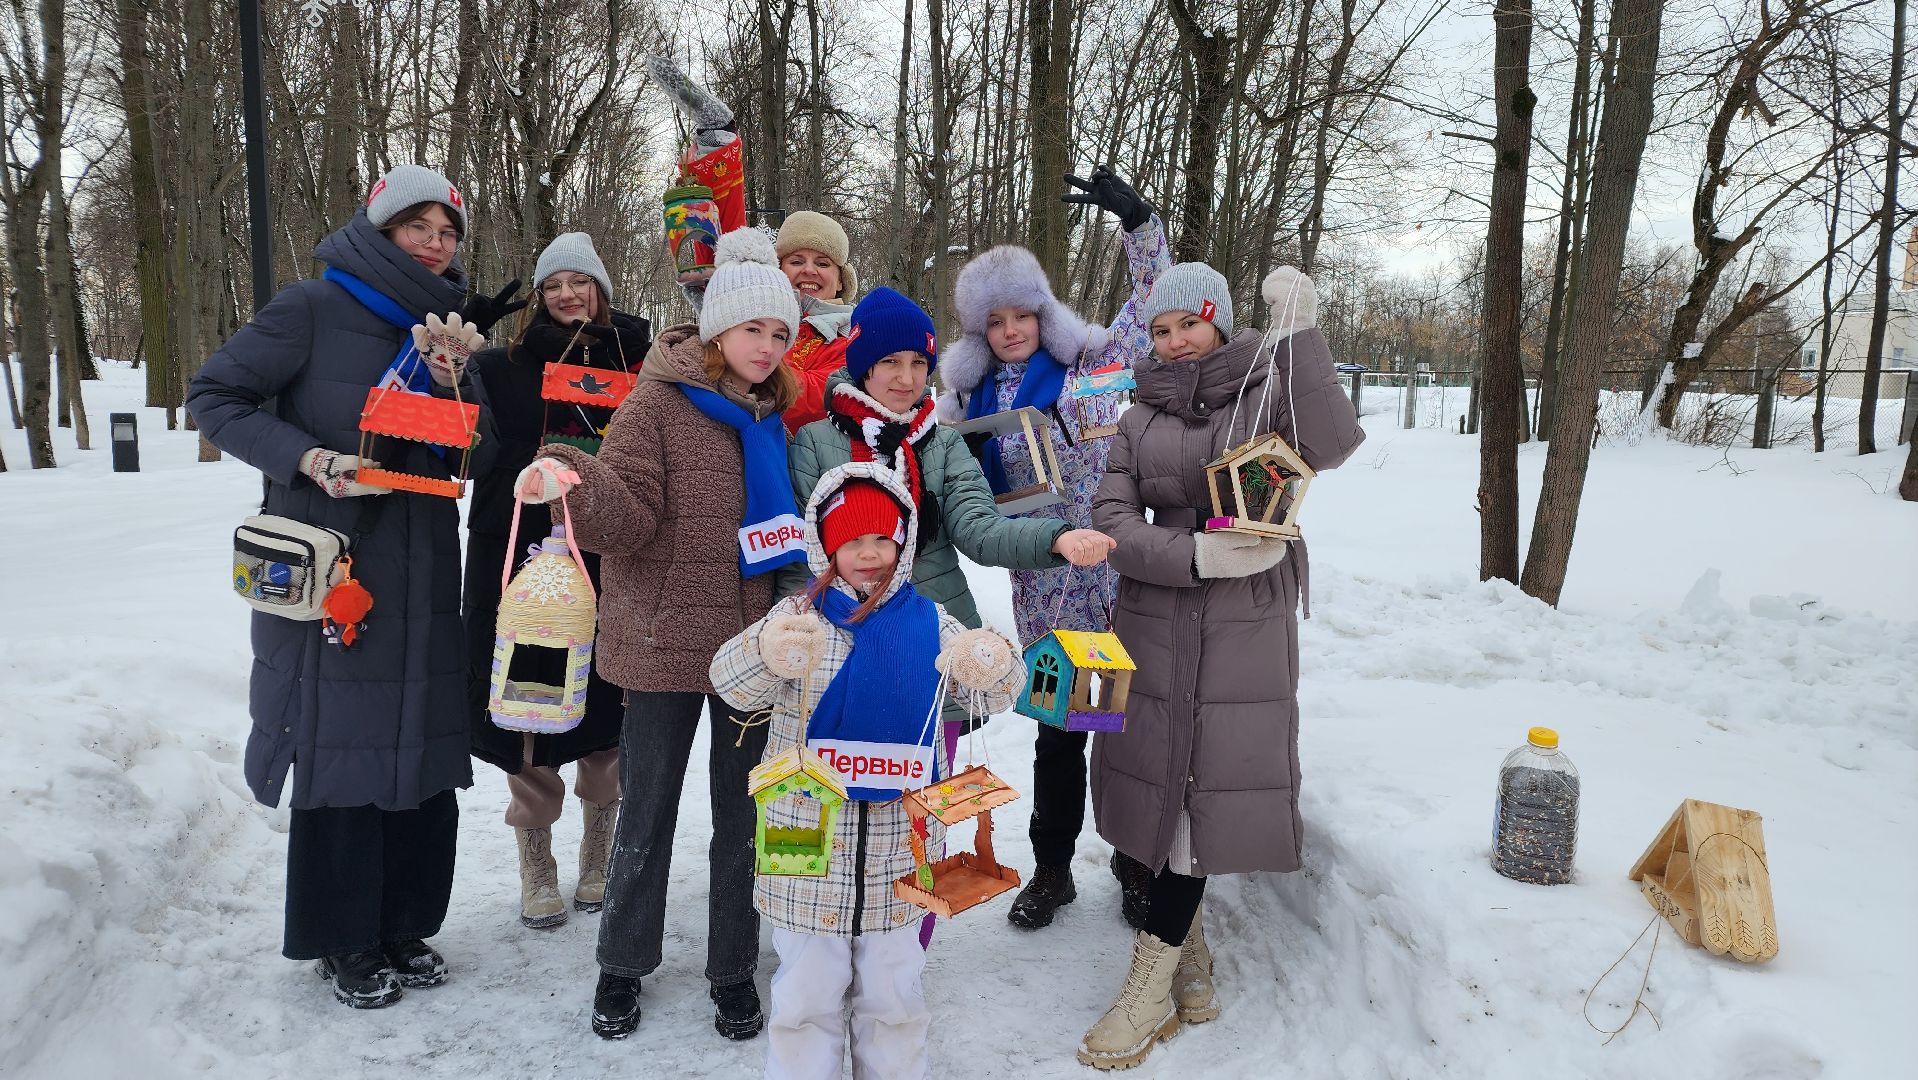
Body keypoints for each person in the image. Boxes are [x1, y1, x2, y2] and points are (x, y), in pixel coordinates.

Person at [186, 164, 498, 1008]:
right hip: (335, 566)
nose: (436, 243)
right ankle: (344, 939)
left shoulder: (448, 331)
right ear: (381, 227)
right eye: (419, 226)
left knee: (422, 749)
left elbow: (476, 453)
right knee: (343, 750)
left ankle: (406, 923)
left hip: (425, 565)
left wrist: (448, 383)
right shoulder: (311, 308)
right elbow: (212, 396)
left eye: (448, 231)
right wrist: (307, 458)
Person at [513, 228, 802, 1041]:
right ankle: (621, 962)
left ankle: (732, 967)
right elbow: (629, 517)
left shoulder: (770, 416)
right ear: (717, 332)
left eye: (780, 334)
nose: (767, 346)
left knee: (742, 817)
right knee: (647, 813)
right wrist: (577, 472)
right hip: (664, 642)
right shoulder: (656, 404)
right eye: (754, 330)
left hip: (751, 651)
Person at [1077, 264, 1365, 1069]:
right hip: (1158, 612)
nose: (1173, 342)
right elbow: (1108, 516)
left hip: (1246, 623)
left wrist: (1302, 331)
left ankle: (1148, 985)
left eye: (1188, 326)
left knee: (1207, 788)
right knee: (1158, 786)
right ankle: (1187, 951)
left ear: (1220, 324)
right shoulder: (1137, 418)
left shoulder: (1266, 393)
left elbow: (1334, 444)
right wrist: (1192, 554)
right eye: (1161, 331)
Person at [778, 286, 1115, 946]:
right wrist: (798, 633)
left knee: (919, 811)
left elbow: (980, 527)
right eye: (890, 363)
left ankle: (905, 943)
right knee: (838, 800)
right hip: (840, 651)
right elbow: (801, 551)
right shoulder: (818, 441)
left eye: (917, 364)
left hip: (928, 653)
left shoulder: (941, 444)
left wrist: (1053, 538)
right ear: (861, 364)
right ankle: (829, 933)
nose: (906, 380)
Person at [710, 462, 1024, 1080]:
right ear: (824, 545)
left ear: (903, 542)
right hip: (806, 847)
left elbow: (999, 691)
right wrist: (764, 652)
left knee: (894, 997)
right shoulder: (798, 620)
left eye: (882, 539)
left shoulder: (932, 623)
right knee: (804, 997)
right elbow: (730, 684)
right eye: (852, 541)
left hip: (898, 854)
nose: (869, 554)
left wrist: (990, 661)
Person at [937, 166, 1170, 931]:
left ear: (1044, 314)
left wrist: (1139, 226)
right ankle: (1054, 869)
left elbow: (1154, 304)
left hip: (1124, 579)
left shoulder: (1092, 367)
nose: (1011, 330)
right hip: (1050, 589)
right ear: (979, 329)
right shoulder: (968, 406)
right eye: (995, 320)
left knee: (1129, 734)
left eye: (1023, 315)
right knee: (1064, 733)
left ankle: (1137, 868)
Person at [463, 232, 651, 930]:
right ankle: (535, 865)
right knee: (528, 705)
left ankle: (598, 858)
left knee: (608, 706)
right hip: (519, 558)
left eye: (581, 282)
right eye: (553, 284)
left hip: (610, 556)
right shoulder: (503, 365)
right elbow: (469, 448)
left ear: (602, 289)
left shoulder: (639, 358)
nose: (567, 295)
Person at [646, 54, 858, 433]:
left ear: (841, 280)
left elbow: (822, 396)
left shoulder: (855, 334)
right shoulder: (760, 304)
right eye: (796, 260)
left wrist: (740, 353)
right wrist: (718, 142)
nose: (809, 270)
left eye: (823, 263)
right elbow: (728, 242)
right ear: (779, 268)